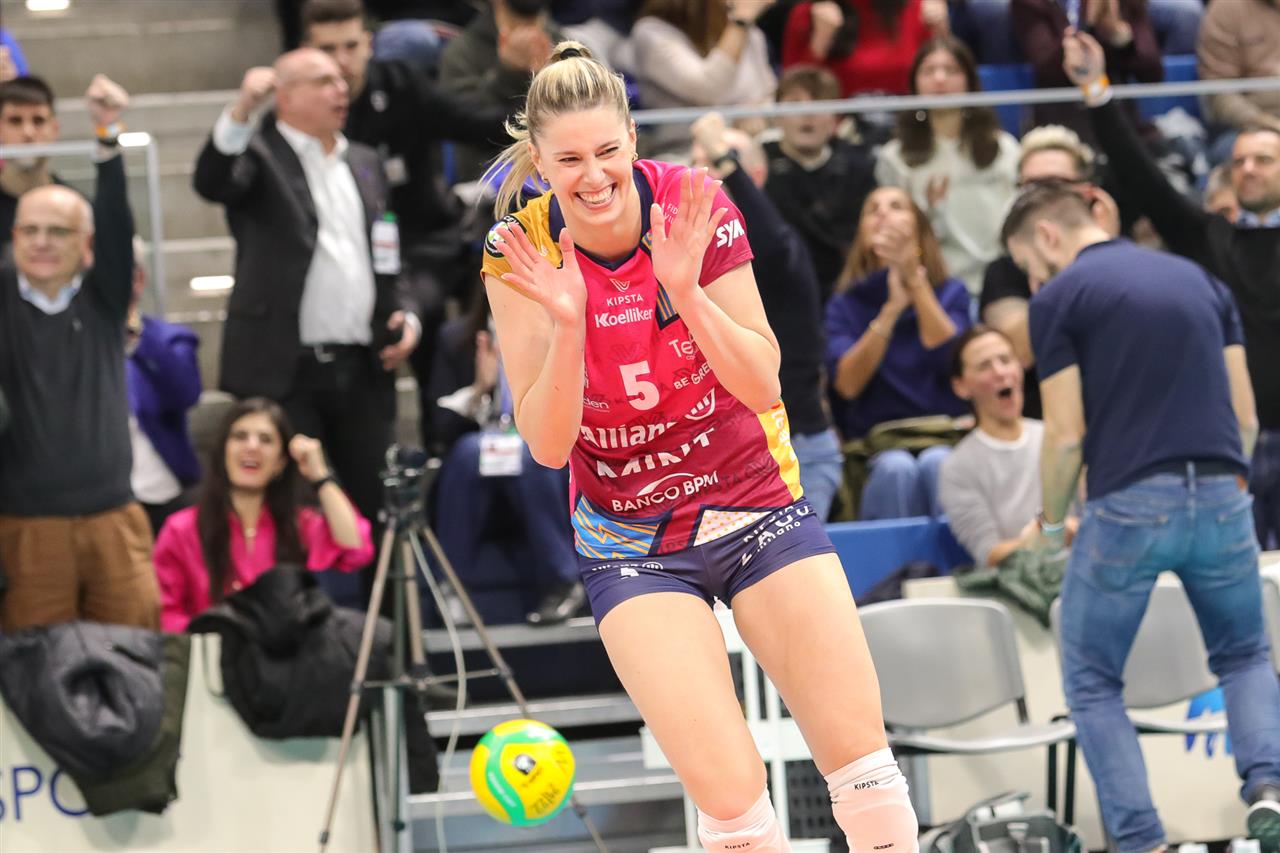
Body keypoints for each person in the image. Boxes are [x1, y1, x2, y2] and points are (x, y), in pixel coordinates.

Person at [481, 41, 918, 853]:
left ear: (633, 141)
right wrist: (570, 322)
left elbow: (762, 381)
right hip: (631, 540)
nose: (593, 175)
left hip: (753, 502)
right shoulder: (520, 250)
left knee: (861, 764)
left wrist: (683, 289)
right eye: (569, 159)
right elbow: (545, 445)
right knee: (732, 803)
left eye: (607, 151)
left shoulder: (693, 201)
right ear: (539, 162)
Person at [1002, 179, 1280, 853]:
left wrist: (1049, 526)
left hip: (1129, 501)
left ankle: (1142, 840)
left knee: (1093, 680)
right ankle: (1269, 788)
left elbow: (1064, 435)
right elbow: (1246, 415)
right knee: (1244, 653)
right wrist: (1222, 489)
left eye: (1032, 267)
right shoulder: (1200, 280)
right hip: (1222, 492)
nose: (1037, 282)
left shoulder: (1061, 298)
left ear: (1048, 235)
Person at [192, 49, 421, 605]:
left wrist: (405, 313)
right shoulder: (258, 152)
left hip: (361, 368)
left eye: (341, 80)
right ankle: (290, 642)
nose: (340, 89)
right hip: (284, 373)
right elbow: (212, 181)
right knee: (288, 516)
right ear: (285, 95)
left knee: (377, 510)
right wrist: (243, 108)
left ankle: (385, 644)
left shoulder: (363, 159)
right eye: (322, 81)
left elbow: (388, 253)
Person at [1064, 29, 1280, 550]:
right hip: (1230, 444)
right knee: (1240, 576)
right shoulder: (1209, 237)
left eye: (1264, 160)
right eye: (1239, 161)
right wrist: (1096, 88)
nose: (1248, 169)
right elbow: (1143, 176)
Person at [301, 0, 509, 453]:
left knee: (426, 318)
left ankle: (440, 446)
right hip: (346, 259)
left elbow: (472, 121)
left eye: (350, 46)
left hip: (422, 243)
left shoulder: (400, 86)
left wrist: (537, 114)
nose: (341, 62)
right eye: (328, 50)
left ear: (369, 45)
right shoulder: (301, 116)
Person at [0, 75, 161, 632]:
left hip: (113, 520)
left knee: (135, 655)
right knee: (34, 668)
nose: (42, 242)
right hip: (26, 528)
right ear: (13, 237)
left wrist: (107, 135)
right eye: (30, 231)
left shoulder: (104, 297)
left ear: (85, 244)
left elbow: (116, 222)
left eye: (58, 232)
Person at [691, 112, 843, 522]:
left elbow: (770, 243)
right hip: (723, 451)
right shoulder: (683, 259)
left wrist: (723, 156)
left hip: (796, 444)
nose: (705, 176)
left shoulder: (783, 246)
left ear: (753, 175)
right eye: (697, 165)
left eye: (718, 164)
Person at [428, 293, 586, 625]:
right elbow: (439, 429)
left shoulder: (561, 328)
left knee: (534, 456)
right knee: (468, 452)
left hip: (543, 456)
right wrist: (479, 389)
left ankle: (563, 582)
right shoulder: (457, 339)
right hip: (480, 459)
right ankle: (452, 586)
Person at [154, 398, 373, 633]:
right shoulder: (181, 529)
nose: (252, 446)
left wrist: (319, 476)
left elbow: (356, 550)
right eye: (240, 436)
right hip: (211, 647)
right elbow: (166, 613)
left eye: (266, 439)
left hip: (284, 650)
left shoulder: (298, 524)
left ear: (280, 463)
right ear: (223, 452)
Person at [826, 186, 970, 520]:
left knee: (937, 462)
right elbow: (847, 385)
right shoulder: (844, 304)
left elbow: (953, 363)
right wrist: (891, 310)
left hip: (943, 435)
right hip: (877, 446)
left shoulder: (951, 292)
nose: (883, 213)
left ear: (919, 228)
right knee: (896, 469)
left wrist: (914, 282)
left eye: (896, 206)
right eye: (872, 208)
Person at [977, 122, 1121, 419]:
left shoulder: (1123, 260)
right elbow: (1021, 352)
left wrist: (1101, 253)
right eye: (1030, 186)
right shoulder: (1004, 270)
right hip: (1039, 420)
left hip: (1114, 412)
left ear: (1087, 192)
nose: (1040, 198)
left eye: (1055, 185)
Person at [876, 35, 1020, 298]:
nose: (940, 79)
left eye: (952, 70)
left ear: (969, 81)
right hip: (931, 282)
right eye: (929, 71)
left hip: (999, 278)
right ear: (915, 84)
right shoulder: (894, 157)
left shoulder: (1004, 148)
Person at [938, 325, 1066, 567]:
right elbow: (990, 554)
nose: (1000, 372)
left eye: (1006, 360)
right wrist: (1047, 535)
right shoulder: (957, 467)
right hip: (1017, 582)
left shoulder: (1059, 439)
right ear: (961, 386)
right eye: (984, 366)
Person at [762, 64, 877, 301]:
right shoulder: (759, 165)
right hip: (774, 294)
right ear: (777, 116)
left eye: (819, 103)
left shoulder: (858, 167)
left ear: (836, 117)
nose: (808, 114)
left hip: (845, 293)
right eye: (795, 103)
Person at [628, 0, 777, 157]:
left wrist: (758, 115)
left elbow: (769, 93)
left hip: (752, 146)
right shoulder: (651, 33)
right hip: (684, 153)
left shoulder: (749, 32)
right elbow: (708, 89)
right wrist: (740, 21)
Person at [438, 0, 564, 182]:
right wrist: (508, 75)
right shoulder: (461, 54)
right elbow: (464, 126)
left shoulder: (568, 48)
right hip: (488, 185)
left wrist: (551, 80)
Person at [126, 239, 203, 535]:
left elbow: (185, 393)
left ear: (139, 279)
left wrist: (133, 333)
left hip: (162, 494)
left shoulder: (169, 339)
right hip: (90, 500)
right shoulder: (68, 341)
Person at [1010, 0, 1162, 144]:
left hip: (1122, 119)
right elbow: (1046, 66)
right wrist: (1086, 25)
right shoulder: (1031, 3)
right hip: (1062, 123)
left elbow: (1153, 74)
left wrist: (1121, 37)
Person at [781, 0, 948, 97]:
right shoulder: (807, 14)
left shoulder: (918, 9)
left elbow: (944, 76)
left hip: (909, 127)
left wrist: (941, 32)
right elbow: (791, 95)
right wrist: (819, 43)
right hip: (835, 133)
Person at [0, 75, 64, 248]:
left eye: (38, 121)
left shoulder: (75, 204)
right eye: (15, 121)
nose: (28, 132)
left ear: (54, 129)